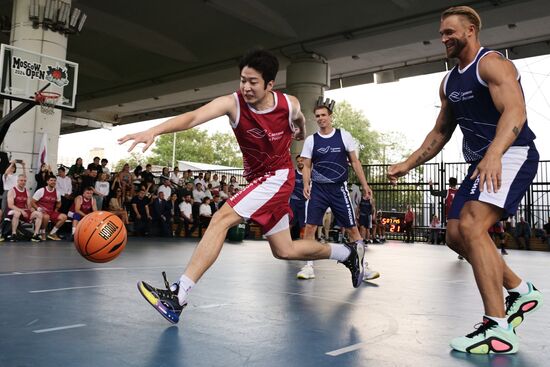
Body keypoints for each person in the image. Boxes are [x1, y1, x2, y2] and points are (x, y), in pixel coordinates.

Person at [119, 49, 366, 324]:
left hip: (278, 177)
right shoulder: (232, 104)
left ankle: (178, 295)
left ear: (269, 84)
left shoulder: (288, 103)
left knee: (221, 218)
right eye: (242, 80)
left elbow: (299, 119)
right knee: (284, 250)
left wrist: (301, 131)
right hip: (261, 179)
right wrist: (155, 130)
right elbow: (192, 117)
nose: (246, 87)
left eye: (253, 82)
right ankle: (347, 253)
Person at [387, 6, 543, 354]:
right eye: (442, 33)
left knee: (472, 225)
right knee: (456, 236)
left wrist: (494, 153)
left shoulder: (492, 64)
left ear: (470, 31)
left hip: (512, 153)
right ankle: (519, 290)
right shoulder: (449, 81)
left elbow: (516, 111)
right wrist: (408, 164)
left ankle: (497, 327)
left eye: (449, 32)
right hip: (481, 163)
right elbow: (441, 131)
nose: (443, 39)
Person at [297, 99, 380, 282]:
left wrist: (365, 185)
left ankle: (363, 267)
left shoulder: (344, 136)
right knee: (310, 227)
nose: (320, 119)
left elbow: (355, 162)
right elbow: (306, 166)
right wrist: (305, 184)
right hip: (318, 190)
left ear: (330, 117)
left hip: (339, 189)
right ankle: (308, 266)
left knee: (352, 229)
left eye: (323, 115)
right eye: (317, 116)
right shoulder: (311, 140)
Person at [6, 174, 42, 242]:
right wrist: (21, 211)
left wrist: (32, 209)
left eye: (25, 181)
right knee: (17, 213)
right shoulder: (12, 190)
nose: (23, 182)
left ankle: (35, 235)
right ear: (17, 181)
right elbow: (10, 205)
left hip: (24, 211)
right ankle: (14, 234)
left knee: (39, 214)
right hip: (13, 211)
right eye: (21, 180)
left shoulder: (27, 191)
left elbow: (28, 205)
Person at [31, 175, 68, 241]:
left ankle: (52, 233)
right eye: (51, 180)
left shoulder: (57, 192)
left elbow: (59, 203)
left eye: (54, 181)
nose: (53, 182)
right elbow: (32, 202)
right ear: (47, 182)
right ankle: (43, 233)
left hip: (51, 212)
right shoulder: (41, 190)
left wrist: (56, 209)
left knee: (64, 217)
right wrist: (38, 208)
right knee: (46, 217)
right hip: (42, 212)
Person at [289, 155, 306, 240]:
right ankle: (286, 240)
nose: (300, 163)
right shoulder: (293, 173)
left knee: (304, 224)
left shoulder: (309, 173)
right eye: (298, 161)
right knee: (291, 222)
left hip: (305, 202)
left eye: (301, 161)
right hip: (294, 202)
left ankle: (304, 242)